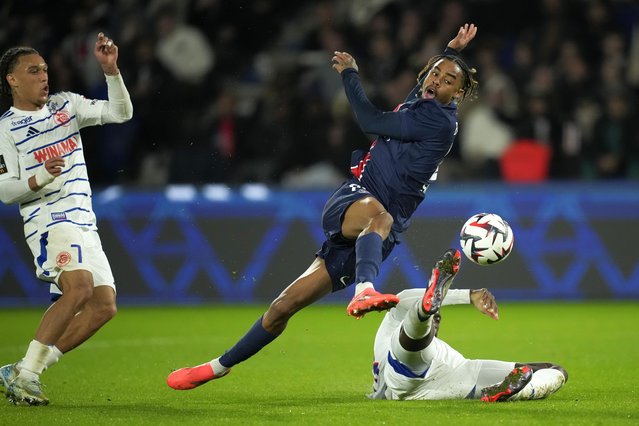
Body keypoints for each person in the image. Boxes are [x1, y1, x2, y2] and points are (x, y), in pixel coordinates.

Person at [166, 24, 480, 391]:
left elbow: (370, 121)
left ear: (457, 95)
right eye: (434, 72)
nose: (436, 80)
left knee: (285, 305)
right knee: (379, 215)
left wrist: (350, 74)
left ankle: (217, 366)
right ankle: (364, 288)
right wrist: (451, 50)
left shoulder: (436, 121)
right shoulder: (427, 101)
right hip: (356, 198)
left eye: (446, 80)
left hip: (377, 233)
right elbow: (423, 89)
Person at [0, 33, 133, 406]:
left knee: (104, 306)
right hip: (48, 218)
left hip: (84, 221)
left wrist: (111, 72)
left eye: (44, 69)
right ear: (12, 79)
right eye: (33, 71)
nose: (44, 76)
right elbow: (5, 191)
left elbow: (121, 113)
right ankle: (26, 375)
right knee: (79, 288)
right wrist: (42, 175)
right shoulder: (4, 130)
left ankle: (26, 368)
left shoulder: (66, 106)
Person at [370, 248, 568, 402]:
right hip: (401, 380)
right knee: (410, 341)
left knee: (555, 370)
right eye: (434, 316)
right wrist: (466, 295)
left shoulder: (444, 354)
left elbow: (405, 301)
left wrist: (467, 296)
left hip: (453, 376)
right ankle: (424, 309)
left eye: (436, 317)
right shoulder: (392, 335)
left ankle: (514, 392)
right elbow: (403, 299)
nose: (436, 322)